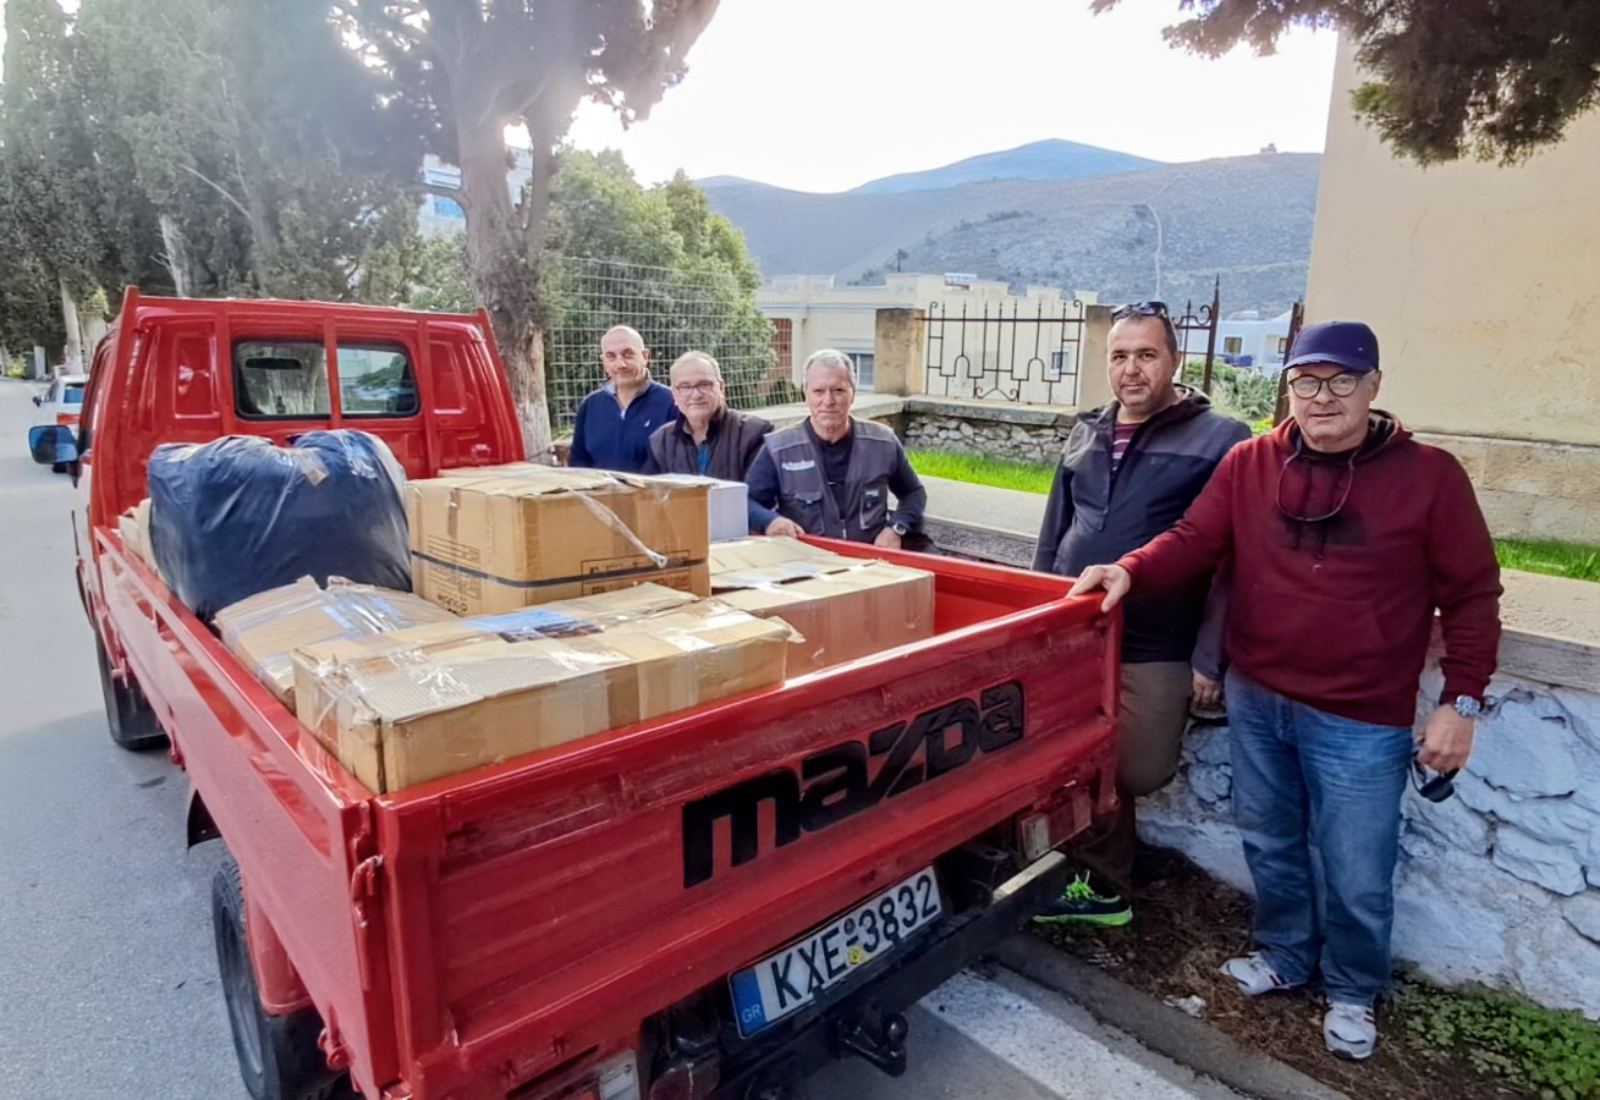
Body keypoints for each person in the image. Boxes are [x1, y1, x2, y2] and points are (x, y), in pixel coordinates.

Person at [1069, 321, 1502, 1061]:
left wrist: (1460, 703)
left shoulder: (1431, 476)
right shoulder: (1252, 462)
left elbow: (1473, 595)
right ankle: (1285, 956)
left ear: (1373, 387)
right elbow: (1194, 540)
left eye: (1342, 381)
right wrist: (1129, 570)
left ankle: (1354, 989)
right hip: (1259, 696)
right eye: (1307, 380)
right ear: (1289, 387)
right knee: (1270, 842)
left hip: (1362, 715)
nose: (1322, 397)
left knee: (1357, 868)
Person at [1031, 301, 1251, 929]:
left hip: (1158, 641)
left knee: (1136, 766)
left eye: (1147, 355)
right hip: (1077, 633)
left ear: (1175, 360)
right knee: (1063, 756)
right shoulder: (1086, 430)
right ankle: (1097, 882)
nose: (1132, 369)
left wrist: (1210, 655)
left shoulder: (1221, 438)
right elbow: (1054, 530)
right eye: (1120, 356)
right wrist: (1036, 617)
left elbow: (1233, 558)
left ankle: (1094, 870)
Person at [746, 348, 927, 546]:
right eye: (818, 391)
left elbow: (914, 493)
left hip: (869, 556)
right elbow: (747, 502)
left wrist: (896, 528)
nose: (828, 401)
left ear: (853, 394)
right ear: (806, 395)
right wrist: (770, 521)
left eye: (839, 390)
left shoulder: (884, 442)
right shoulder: (778, 448)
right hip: (806, 556)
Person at [645, 351, 773, 479]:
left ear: (721, 388)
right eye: (685, 387)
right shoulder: (661, 442)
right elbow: (653, 490)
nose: (696, 395)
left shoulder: (754, 434)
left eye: (704, 384)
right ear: (674, 394)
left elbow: (759, 490)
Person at [568, 325, 677, 472]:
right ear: (603, 362)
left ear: (645, 356)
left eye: (628, 354)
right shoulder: (590, 406)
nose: (620, 364)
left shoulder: (671, 402)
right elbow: (578, 462)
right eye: (611, 356)